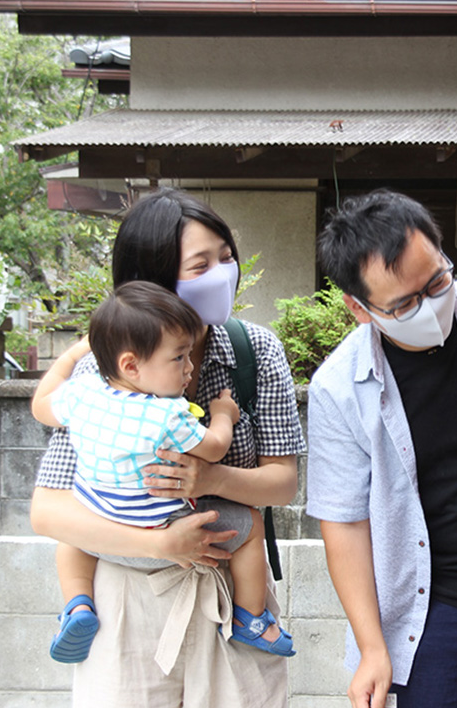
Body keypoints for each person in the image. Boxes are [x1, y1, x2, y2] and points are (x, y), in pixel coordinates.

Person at [30, 189, 305, 708]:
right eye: (200, 266)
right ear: (151, 281)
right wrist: (160, 544)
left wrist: (211, 480)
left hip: (232, 600)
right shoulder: (102, 373)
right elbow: (51, 510)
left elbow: (284, 482)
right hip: (125, 603)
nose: (222, 274)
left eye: (226, 258)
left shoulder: (256, 352)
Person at [306, 190, 457, 708]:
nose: (432, 306)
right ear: (359, 308)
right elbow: (342, 521)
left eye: (437, 282)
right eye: (404, 304)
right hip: (429, 612)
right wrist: (371, 646)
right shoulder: (339, 387)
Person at [32, 281, 295, 664]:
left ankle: (77, 605)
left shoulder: (82, 393)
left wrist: (73, 354)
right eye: (179, 358)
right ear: (131, 364)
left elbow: (41, 404)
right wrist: (223, 415)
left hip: (103, 525)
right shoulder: (167, 415)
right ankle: (252, 617)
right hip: (166, 527)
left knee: (70, 541)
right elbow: (215, 447)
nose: (189, 368)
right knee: (251, 525)